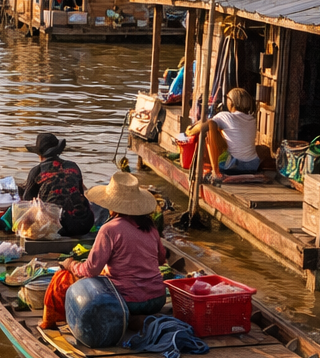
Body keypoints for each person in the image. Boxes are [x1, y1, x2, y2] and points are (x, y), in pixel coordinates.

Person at [60, 172, 167, 315]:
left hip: (127, 301)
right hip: (158, 298)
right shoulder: (150, 227)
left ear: (112, 206)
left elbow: (91, 270)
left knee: (78, 284)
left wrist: (71, 265)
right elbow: (161, 260)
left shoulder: (109, 229)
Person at [19, 132, 95, 238]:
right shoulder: (73, 166)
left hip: (55, 228)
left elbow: (28, 201)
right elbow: (80, 194)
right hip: (83, 225)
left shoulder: (37, 171)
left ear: (39, 155)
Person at [187, 86, 259, 177]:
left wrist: (190, 130)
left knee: (211, 126)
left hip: (233, 166)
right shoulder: (252, 119)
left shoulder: (225, 116)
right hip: (253, 165)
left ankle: (215, 171)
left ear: (231, 102)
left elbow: (204, 126)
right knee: (221, 131)